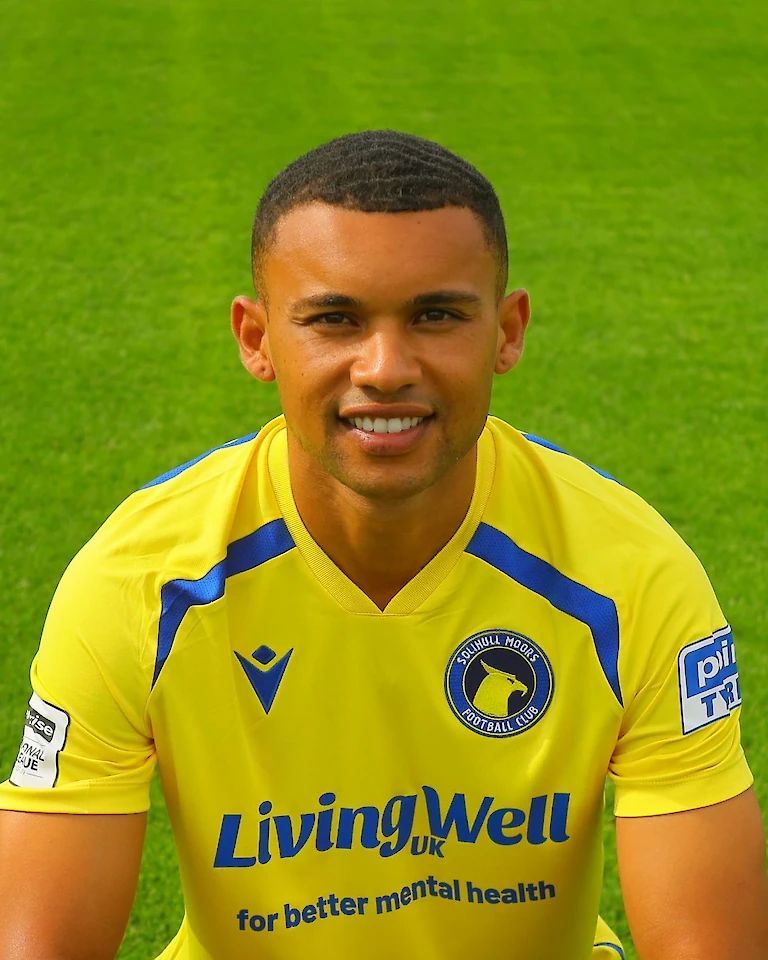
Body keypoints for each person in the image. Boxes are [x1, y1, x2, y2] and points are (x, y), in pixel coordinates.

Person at [0, 130, 765, 960]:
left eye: (437, 316)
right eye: (335, 320)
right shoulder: (140, 584)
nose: (385, 368)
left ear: (507, 331)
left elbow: (709, 944)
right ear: (257, 339)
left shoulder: (629, 575)